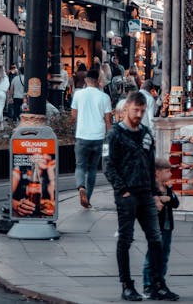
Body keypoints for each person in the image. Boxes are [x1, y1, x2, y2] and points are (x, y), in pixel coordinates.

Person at [104, 90, 179, 302]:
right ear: (126, 108)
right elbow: (108, 165)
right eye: (136, 110)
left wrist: (155, 193)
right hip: (127, 196)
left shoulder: (146, 133)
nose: (138, 114)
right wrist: (123, 191)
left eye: (142, 110)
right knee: (125, 240)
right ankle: (127, 285)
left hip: (146, 194)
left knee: (156, 239)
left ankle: (157, 284)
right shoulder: (114, 134)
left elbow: (150, 163)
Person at [71, 68, 112, 209]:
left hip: (82, 135)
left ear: (86, 80)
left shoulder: (78, 95)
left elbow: (73, 116)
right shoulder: (105, 97)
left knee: (80, 166)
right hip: (98, 136)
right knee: (93, 168)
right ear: (98, 81)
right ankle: (87, 199)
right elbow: (108, 121)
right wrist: (109, 138)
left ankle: (81, 187)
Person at [142, 158, 179, 299]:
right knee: (151, 256)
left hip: (168, 228)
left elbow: (176, 203)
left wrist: (168, 199)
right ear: (157, 173)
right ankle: (148, 285)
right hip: (157, 228)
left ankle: (160, 283)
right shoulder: (153, 190)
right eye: (167, 171)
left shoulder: (167, 188)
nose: (170, 174)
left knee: (164, 256)